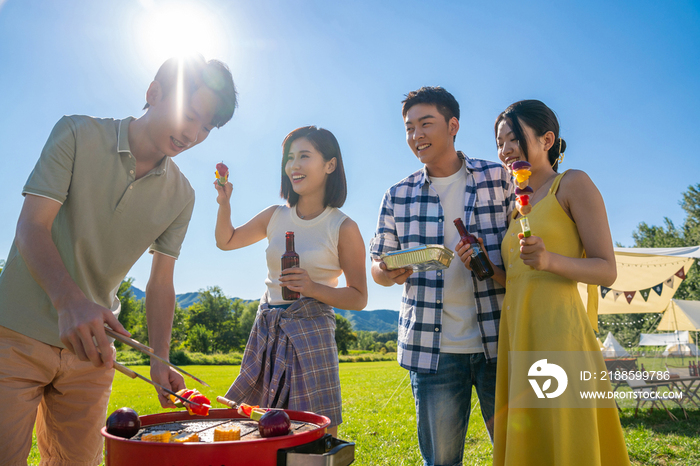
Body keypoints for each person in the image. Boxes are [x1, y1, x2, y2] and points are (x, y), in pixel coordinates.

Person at [0, 54, 237, 465]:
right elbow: (31, 227)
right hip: (14, 335)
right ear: (154, 93)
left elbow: (161, 281)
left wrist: (159, 359)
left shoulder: (183, 196)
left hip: (91, 355)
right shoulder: (76, 132)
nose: (194, 133)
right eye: (190, 115)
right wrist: (69, 301)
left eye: (206, 127)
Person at [370, 86, 513, 466]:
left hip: (501, 341)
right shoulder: (397, 195)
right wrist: (388, 271)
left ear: (453, 125)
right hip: (432, 351)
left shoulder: (497, 178)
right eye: (408, 127)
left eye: (425, 123)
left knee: (518, 453)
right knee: (442, 461)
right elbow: (377, 266)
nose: (416, 135)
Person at [490, 100, 630, 465]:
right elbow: (522, 278)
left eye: (514, 139)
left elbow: (606, 269)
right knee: (532, 436)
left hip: (558, 331)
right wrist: (485, 268)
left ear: (548, 139)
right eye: (500, 142)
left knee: (565, 432)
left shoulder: (572, 184)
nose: (505, 150)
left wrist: (550, 259)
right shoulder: (514, 207)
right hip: (518, 331)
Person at [214, 126, 367, 436]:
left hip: (312, 330)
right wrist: (224, 203)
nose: (294, 165)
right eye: (290, 157)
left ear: (330, 165)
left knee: (315, 430)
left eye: (304, 156)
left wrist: (311, 287)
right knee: (255, 425)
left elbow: (358, 297)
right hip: (267, 327)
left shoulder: (343, 226)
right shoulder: (274, 215)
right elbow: (226, 241)